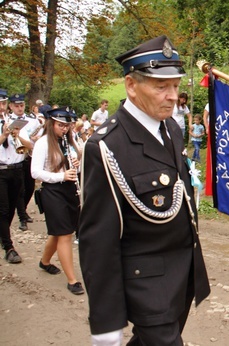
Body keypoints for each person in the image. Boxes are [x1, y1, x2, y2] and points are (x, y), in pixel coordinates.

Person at [78, 35, 210, 346]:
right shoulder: (107, 146)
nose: (172, 96)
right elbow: (98, 240)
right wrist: (106, 323)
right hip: (146, 283)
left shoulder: (171, 129)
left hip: (182, 273)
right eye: (161, 86)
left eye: (175, 86)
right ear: (131, 86)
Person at [31, 106, 85, 295]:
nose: (64, 129)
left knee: (59, 232)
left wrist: (77, 166)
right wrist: (61, 176)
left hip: (69, 190)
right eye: (61, 125)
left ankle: (44, 262)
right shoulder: (43, 143)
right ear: (52, 123)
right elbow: (35, 172)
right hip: (53, 191)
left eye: (67, 126)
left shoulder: (69, 142)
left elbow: (75, 169)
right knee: (64, 234)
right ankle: (72, 280)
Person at [0, 89, 31, 264]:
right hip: (1, 170)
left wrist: (18, 135)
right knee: (3, 209)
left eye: (4, 103)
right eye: (0, 104)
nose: (1, 107)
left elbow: (29, 145)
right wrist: (3, 135)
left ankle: (3, 233)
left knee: (11, 208)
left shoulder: (16, 122)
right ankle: (9, 247)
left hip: (17, 169)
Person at [9, 94, 40, 232]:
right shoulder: (8, 120)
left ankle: (23, 210)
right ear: (11, 106)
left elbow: (37, 138)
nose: (20, 108)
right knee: (20, 189)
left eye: (21, 105)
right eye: (17, 106)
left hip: (29, 156)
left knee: (30, 186)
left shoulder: (31, 120)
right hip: (14, 157)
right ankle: (22, 217)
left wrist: (37, 138)